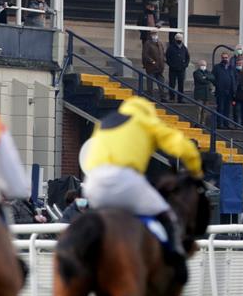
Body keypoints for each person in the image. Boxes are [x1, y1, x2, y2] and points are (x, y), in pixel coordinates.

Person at [79, 95, 201, 267]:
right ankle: (177, 261)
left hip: (92, 183)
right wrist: (196, 171)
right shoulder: (145, 121)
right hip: (125, 180)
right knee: (167, 215)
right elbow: (182, 146)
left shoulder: (104, 123)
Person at [141, 31, 165, 101]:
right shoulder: (148, 43)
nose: (155, 36)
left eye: (156, 34)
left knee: (161, 82)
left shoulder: (160, 43)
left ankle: (163, 97)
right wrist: (152, 61)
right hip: (151, 67)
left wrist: (163, 61)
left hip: (160, 67)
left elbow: (162, 53)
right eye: (153, 34)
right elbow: (145, 55)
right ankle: (150, 96)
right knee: (150, 82)